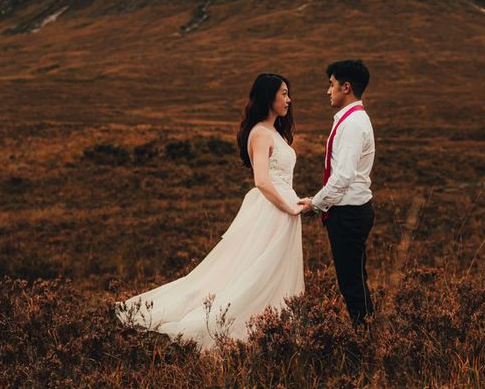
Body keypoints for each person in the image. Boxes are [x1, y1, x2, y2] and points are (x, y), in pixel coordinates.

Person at [116, 73, 305, 350]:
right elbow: (262, 181)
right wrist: (289, 206)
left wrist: (298, 203)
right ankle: (240, 327)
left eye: (288, 94)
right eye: (284, 93)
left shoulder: (274, 132)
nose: (289, 99)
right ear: (268, 97)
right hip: (273, 211)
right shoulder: (260, 134)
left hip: (284, 211)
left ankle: (274, 326)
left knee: (273, 271)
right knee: (257, 271)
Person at [298, 59, 376, 327]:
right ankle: (365, 329)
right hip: (350, 209)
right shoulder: (351, 119)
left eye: (331, 85)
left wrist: (315, 204)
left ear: (346, 87)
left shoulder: (353, 124)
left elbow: (343, 176)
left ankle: (364, 335)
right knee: (353, 278)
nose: (327, 91)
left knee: (351, 282)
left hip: (349, 212)